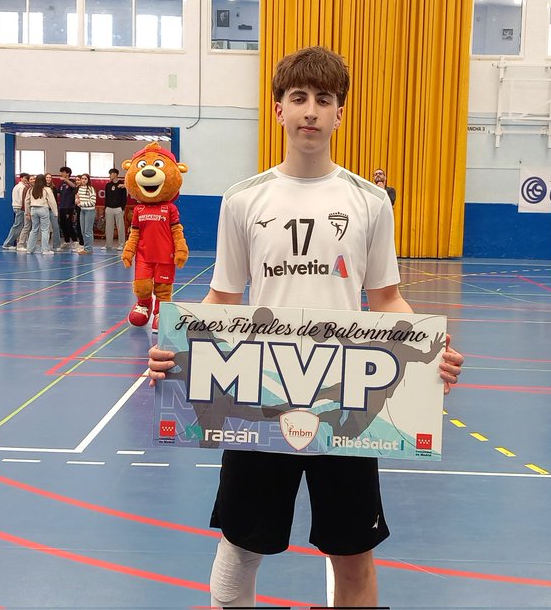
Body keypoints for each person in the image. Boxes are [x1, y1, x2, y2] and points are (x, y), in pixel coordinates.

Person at [144, 46, 463, 608]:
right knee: (242, 544)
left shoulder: (369, 201)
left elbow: (385, 297)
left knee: (353, 555)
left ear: (340, 113)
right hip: (257, 392)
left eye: (324, 99)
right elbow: (223, 295)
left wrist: (428, 351)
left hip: (345, 397)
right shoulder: (243, 199)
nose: (311, 110)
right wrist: (175, 349)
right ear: (279, 111)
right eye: (299, 99)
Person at [24, 174, 58, 255]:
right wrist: (55, 212)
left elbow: (26, 201)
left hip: (33, 209)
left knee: (34, 229)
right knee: (45, 229)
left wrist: (27, 212)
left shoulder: (31, 189)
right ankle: (45, 249)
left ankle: (30, 249)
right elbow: (52, 202)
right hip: (43, 209)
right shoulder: (47, 189)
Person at [3, 173, 30, 250]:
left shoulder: (17, 186)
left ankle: (22, 242)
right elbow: (24, 198)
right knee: (18, 226)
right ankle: (7, 244)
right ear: (21, 178)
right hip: (20, 208)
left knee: (21, 226)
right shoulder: (22, 187)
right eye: (25, 178)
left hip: (17, 207)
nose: (26, 179)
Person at [104, 168, 127, 250]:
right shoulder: (108, 185)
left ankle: (121, 244)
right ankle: (108, 245)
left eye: (111, 174)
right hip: (109, 209)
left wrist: (122, 208)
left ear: (115, 174)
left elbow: (124, 198)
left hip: (118, 209)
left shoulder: (122, 185)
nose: (110, 176)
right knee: (108, 227)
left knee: (120, 227)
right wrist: (106, 208)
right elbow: (106, 197)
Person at [74, 173, 97, 254]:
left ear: (88, 180)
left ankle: (88, 249)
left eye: (85, 179)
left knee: (88, 231)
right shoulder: (79, 189)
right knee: (83, 230)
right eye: (82, 179)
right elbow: (77, 199)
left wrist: (82, 204)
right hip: (82, 210)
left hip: (89, 211)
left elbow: (93, 202)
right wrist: (77, 201)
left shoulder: (91, 189)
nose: (83, 180)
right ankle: (86, 247)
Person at [57, 167, 78, 249]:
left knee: (69, 224)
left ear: (68, 173)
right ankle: (66, 241)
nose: (62, 174)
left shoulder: (71, 182)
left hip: (69, 207)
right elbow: (58, 193)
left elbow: (74, 186)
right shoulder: (61, 184)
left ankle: (75, 241)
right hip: (61, 207)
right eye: (61, 172)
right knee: (62, 224)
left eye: (63, 172)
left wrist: (65, 180)